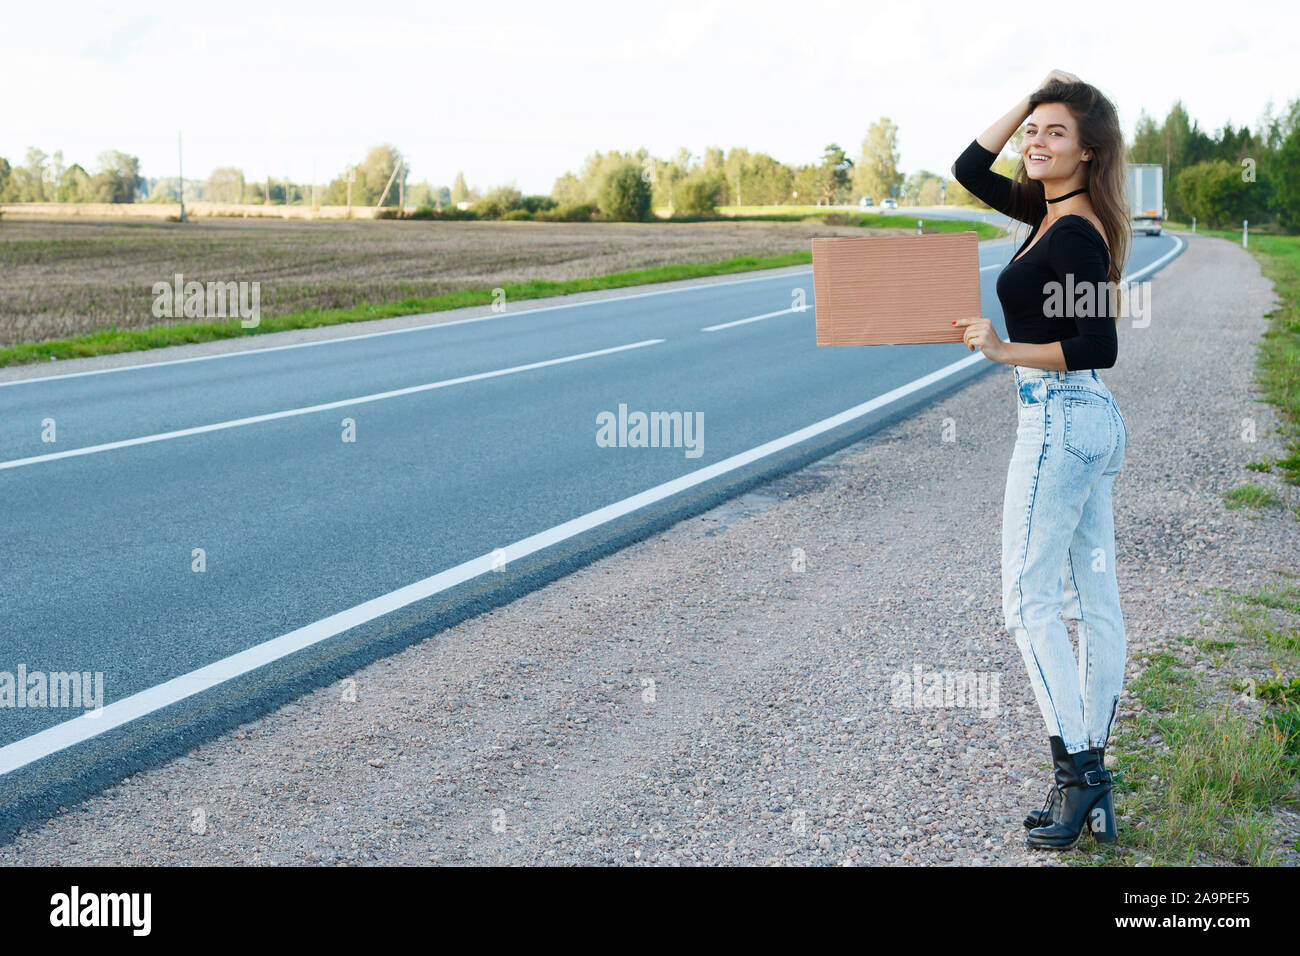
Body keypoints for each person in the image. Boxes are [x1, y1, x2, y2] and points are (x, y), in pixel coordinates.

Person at [950, 69, 1133, 850]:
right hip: (1085, 421)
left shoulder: (1077, 232)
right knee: (1093, 605)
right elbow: (966, 168)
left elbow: (1099, 345)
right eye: (1033, 131)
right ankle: (1090, 776)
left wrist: (1002, 351)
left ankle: (1079, 773)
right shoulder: (1046, 212)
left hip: (1061, 418)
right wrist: (1032, 101)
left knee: (1027, 604)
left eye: (1056, 134)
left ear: (1088, 155)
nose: (1034, 142)